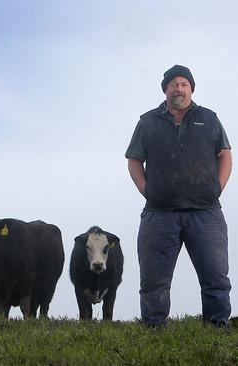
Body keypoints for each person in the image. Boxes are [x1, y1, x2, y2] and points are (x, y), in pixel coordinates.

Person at [125, 65, 232, 327]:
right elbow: (134, 160)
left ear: (192, 89)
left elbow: (225, 154)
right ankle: (153, 328)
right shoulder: (148, 121)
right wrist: (147, 190)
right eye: (173, 84)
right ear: (165, 90)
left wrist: (217, 187)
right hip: (159, 214)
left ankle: (217, 327)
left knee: (215, 276)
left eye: (184, 84)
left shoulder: (209, 118)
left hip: (206, 212)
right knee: (153, 279)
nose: (179, 88)